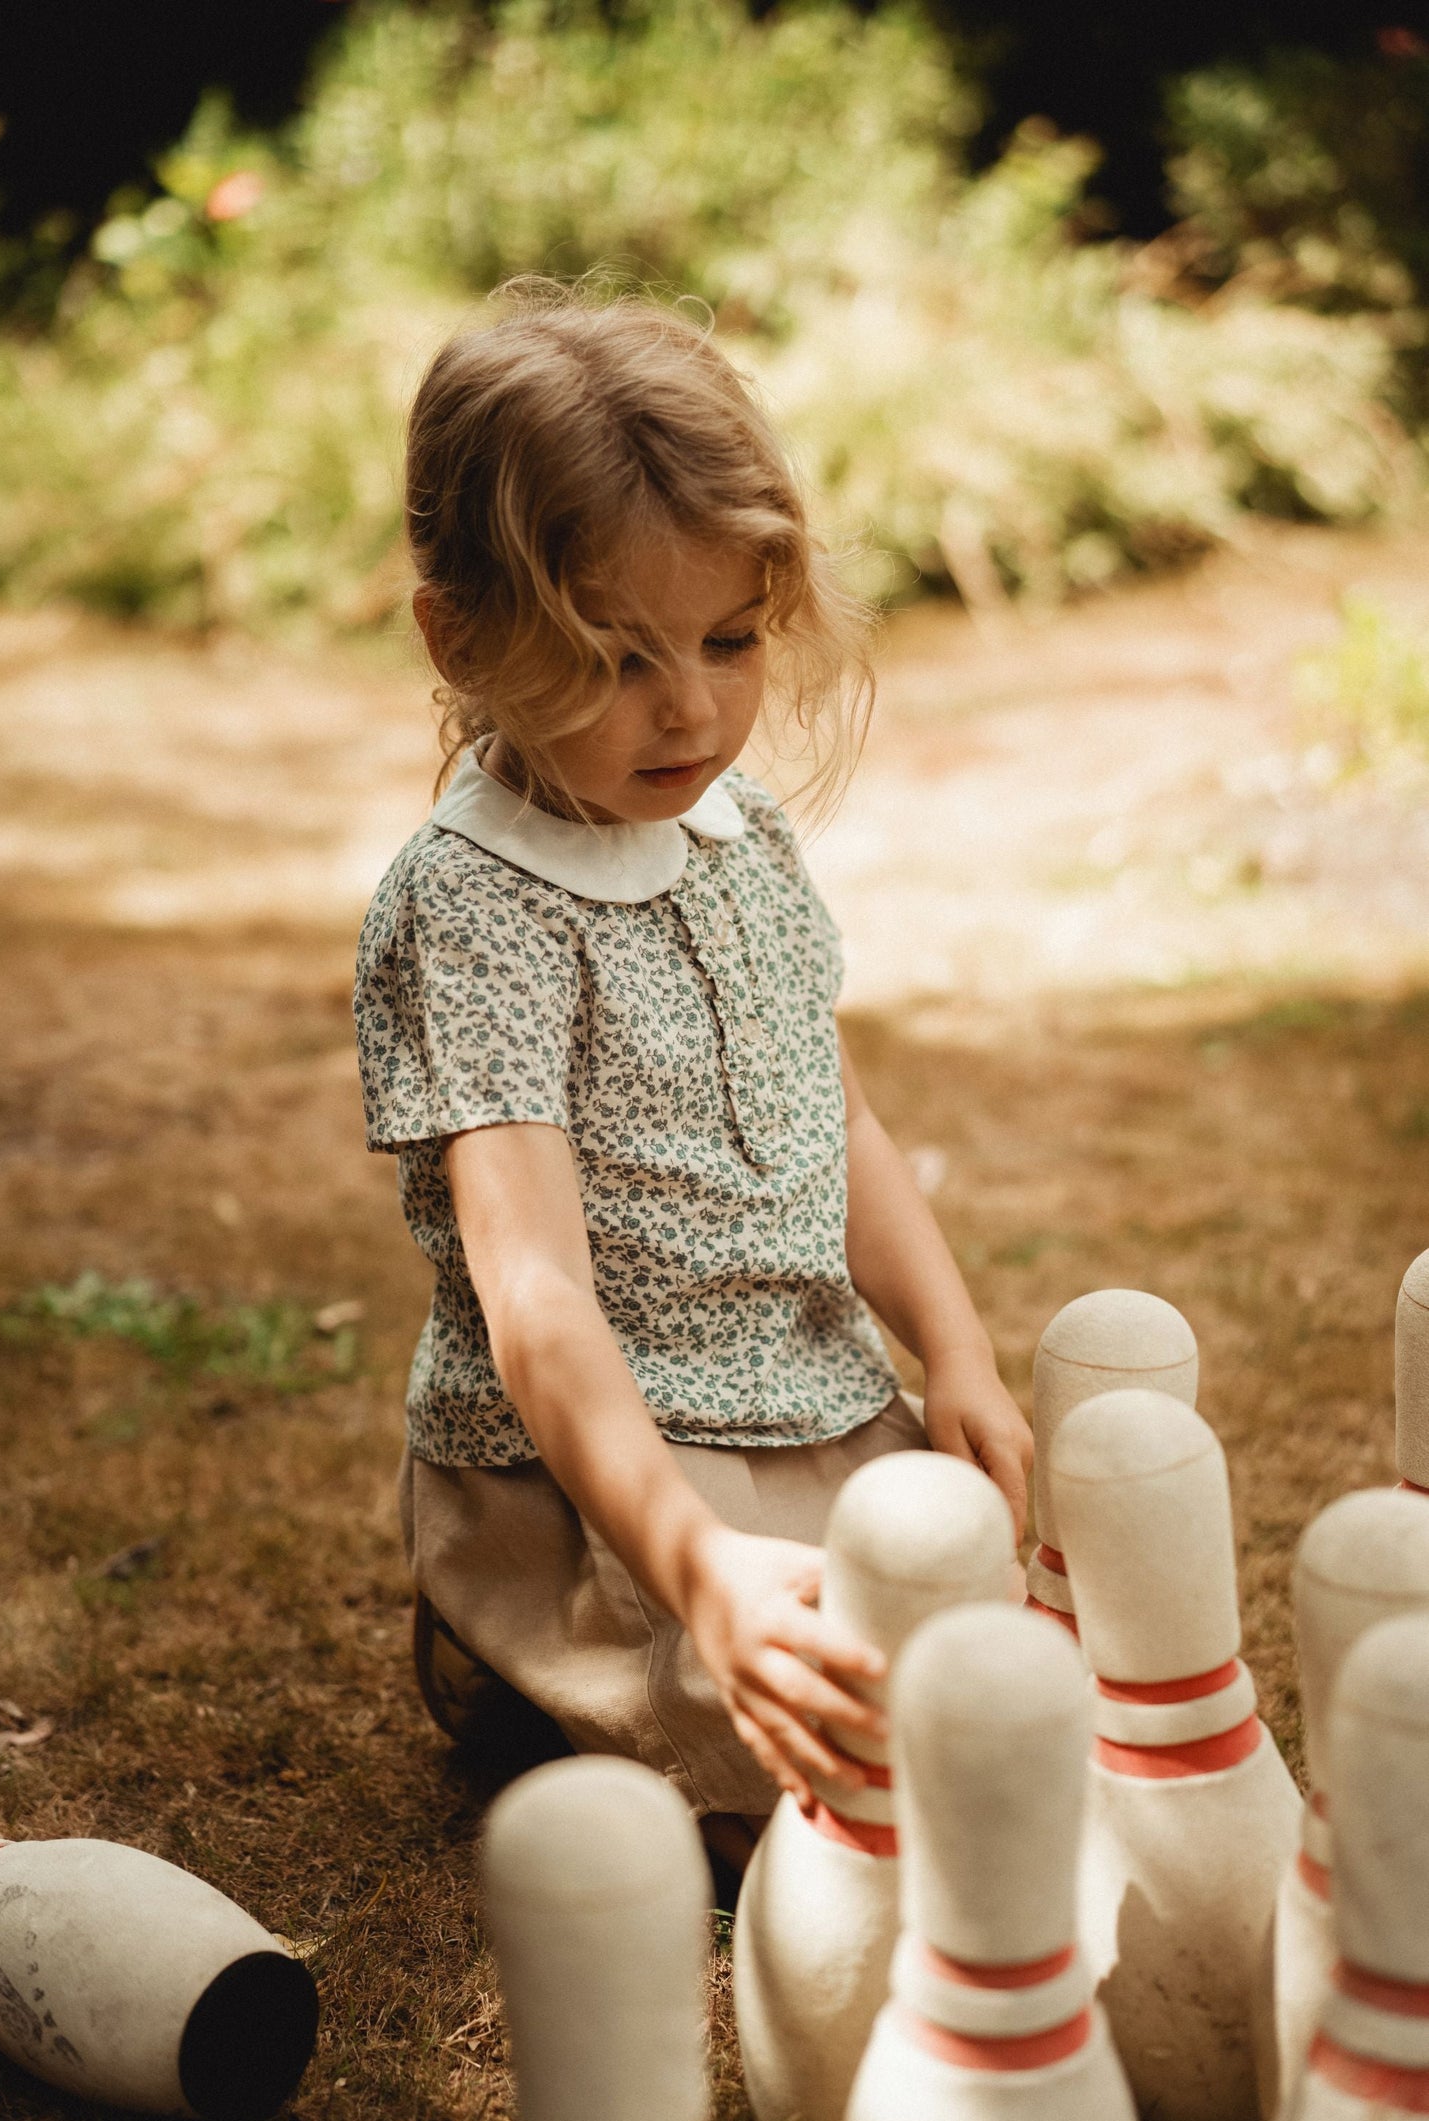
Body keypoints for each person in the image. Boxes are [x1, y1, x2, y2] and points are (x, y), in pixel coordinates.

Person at [354, 280, 1033, 1865]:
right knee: (841, 1782)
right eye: (615, 655)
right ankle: (529, 1659)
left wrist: (956, 1351)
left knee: (992, 1699)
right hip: (607, 1468)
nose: (696, 708)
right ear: (461, 638)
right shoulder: (475, 908)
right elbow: (537, 1310)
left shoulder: (746, 840)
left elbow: (838, 1113)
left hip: (814, 1401)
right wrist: (697, 1563)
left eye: (730, 641)